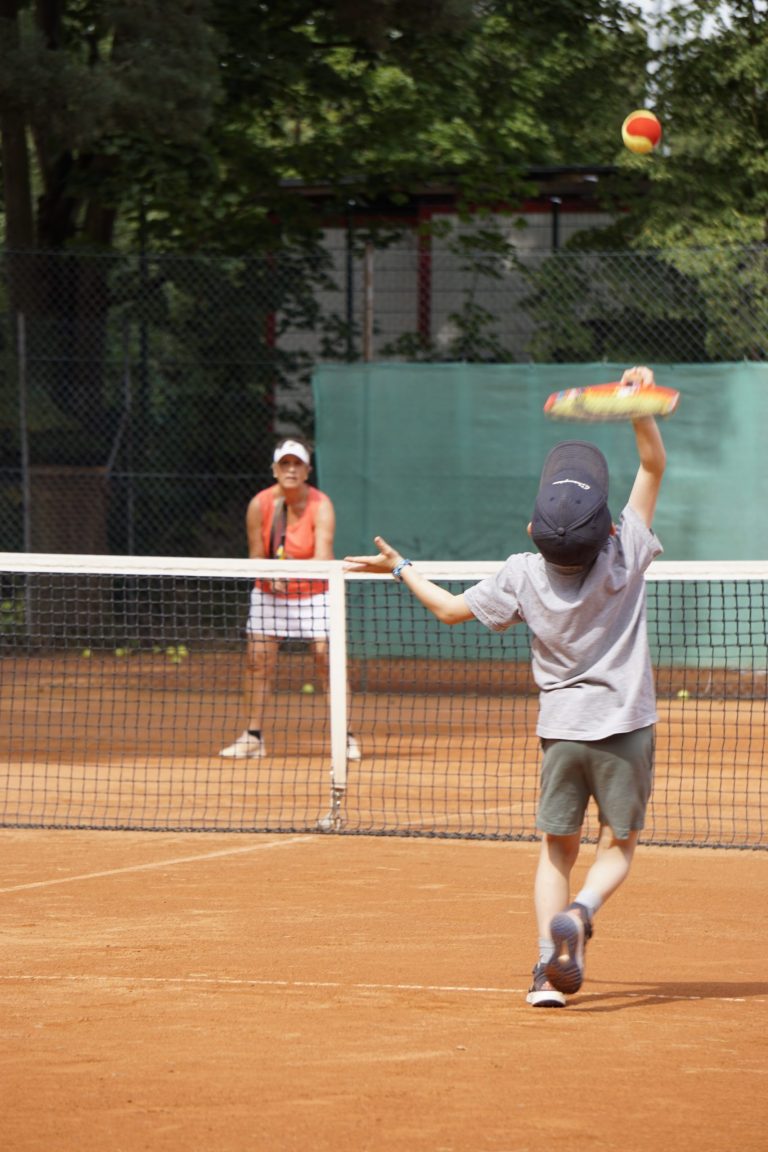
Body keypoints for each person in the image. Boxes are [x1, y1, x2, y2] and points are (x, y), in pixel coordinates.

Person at [343, 366, 665, 1008]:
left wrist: (400, 567)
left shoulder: (520, 574)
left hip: (560, 735)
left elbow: (448, 610)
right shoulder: (625, 551)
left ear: (531, 532)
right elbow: (653, 465)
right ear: (607, 527)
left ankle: (547, 973)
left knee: (555, 851)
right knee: (617, 848)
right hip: (625, 728)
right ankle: (581, 912)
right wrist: (636, 404)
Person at [219, 435, 361, 761]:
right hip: (270, 595)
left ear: (308, 471)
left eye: (298, 464)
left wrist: (290, 571)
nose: (291, 470)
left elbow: (323, 558)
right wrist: (270, 573)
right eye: (285, 464)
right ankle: (253, 736)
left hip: (315, 593)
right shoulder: (259, 505)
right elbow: (256, 555)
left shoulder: (321, 506)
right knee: (257, 661)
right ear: (274, 469)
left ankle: (346, 736)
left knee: (328, 661)